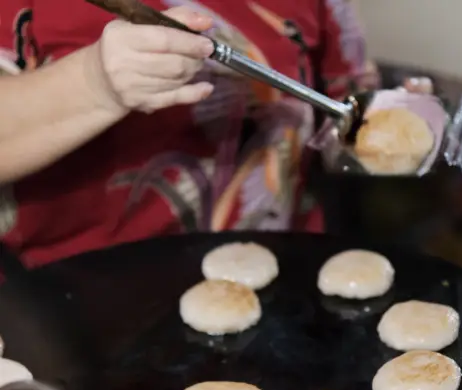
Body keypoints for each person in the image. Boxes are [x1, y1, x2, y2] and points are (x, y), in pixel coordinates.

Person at [0, 0, 385, 270]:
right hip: (71, 308)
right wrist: (93, 84)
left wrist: (394, 124)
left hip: (286, 273)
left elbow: (343, 102)